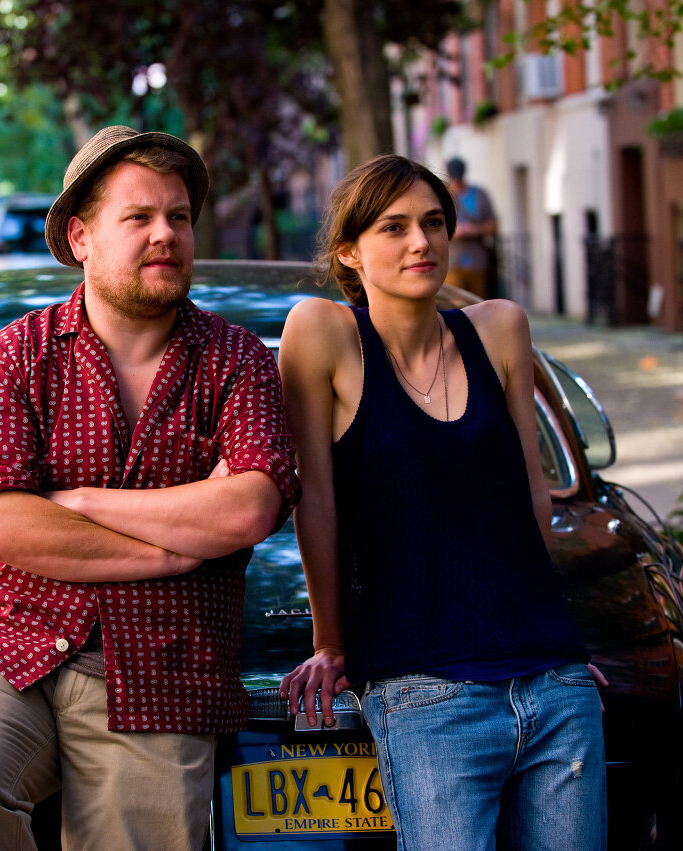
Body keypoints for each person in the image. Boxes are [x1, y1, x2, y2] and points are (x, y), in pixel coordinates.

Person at [0, 125, 299, 851]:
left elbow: (250, 507)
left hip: (166, 654)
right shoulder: (14, 356)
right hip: (12, 633)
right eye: (139, 217)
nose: (166, 234)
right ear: (81, 237)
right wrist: (172, 548)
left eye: (178, 217)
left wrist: (78, 501)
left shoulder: (238, 361)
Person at [278, 154, 604, 850]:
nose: (421, 242)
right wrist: (330, 642)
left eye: (432, 223)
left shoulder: (500, 328)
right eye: (393, 227)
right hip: (424, 691)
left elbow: (531, 495)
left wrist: (557, 642)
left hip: (552, 682)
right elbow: (316, 500)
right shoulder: (323, 334)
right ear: (349, 251)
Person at [444, 156, 499, 298]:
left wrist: (474, 229)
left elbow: (493, 226)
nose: (457, 182)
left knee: (477, 303)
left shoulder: (479, 195)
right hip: (452, 262)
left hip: (477, 261)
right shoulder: (443, 196)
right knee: (455, 303)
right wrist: (454, 231)